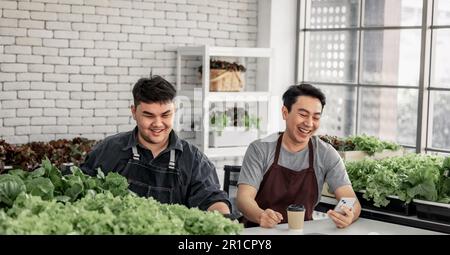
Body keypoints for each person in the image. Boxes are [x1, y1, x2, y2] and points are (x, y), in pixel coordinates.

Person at [81, 76, 231, 214]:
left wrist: (222, 219)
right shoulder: (109, 149)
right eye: (148, 115)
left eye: (166, 115)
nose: (158, 124)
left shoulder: (193, 160)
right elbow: (83, 188)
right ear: (134, 112)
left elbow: (212, 199)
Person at [236, 84, 361, 228]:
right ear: (285, 112)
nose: (309, 123)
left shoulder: (326, 153)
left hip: (302, 231)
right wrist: (261, 216)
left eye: (316, 117)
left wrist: (348, 215)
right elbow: (244, 199)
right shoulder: (260, 149)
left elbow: (350, 199)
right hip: (259, 230)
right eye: (303, 114)